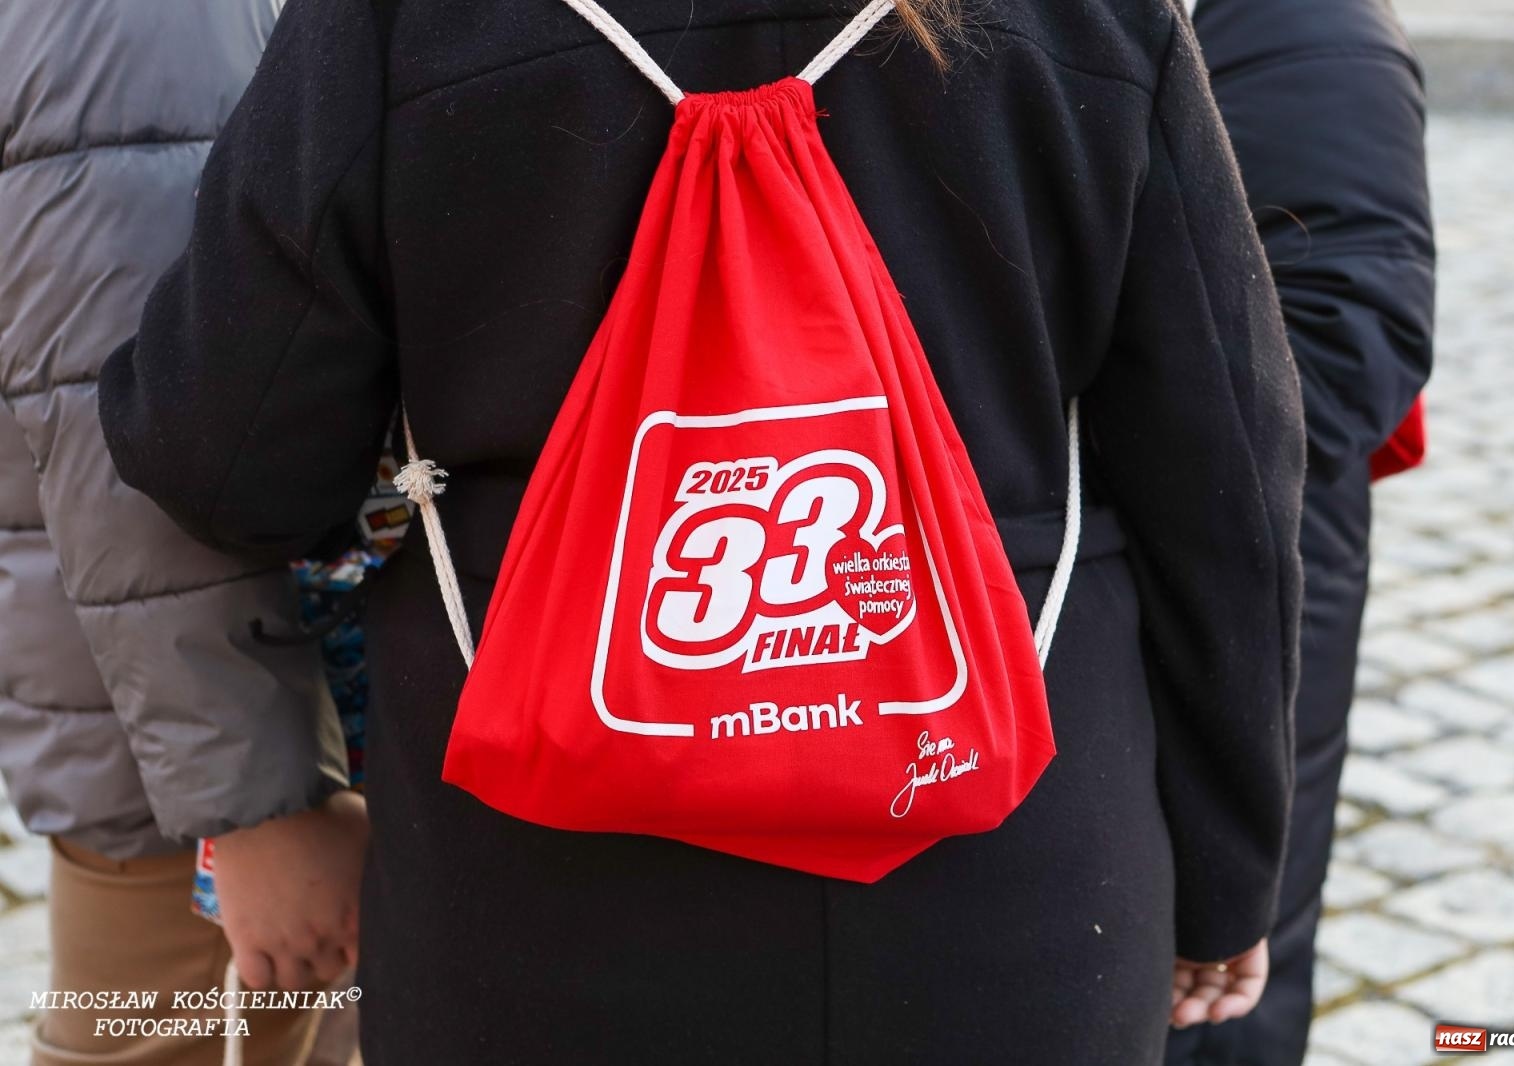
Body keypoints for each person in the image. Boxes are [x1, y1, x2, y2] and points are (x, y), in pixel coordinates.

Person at [100, 0, 1306, 1061]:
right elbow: (1225, 483)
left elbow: (228, 457)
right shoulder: (1090, 18)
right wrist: (1226, 875)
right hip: (1013, 888)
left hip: (540, 905)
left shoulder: (403, 20)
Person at [0, 1, 367, 1062]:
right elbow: (123, 412)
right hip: (200, 756)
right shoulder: (141, 18)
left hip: (211, 719)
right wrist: (256, 802)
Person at [1167, 0, 1436, 1062]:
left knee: (1215, 987)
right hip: (1115, 588)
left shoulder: (1311, 27)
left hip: (1245, 586)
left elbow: (1343, 348)